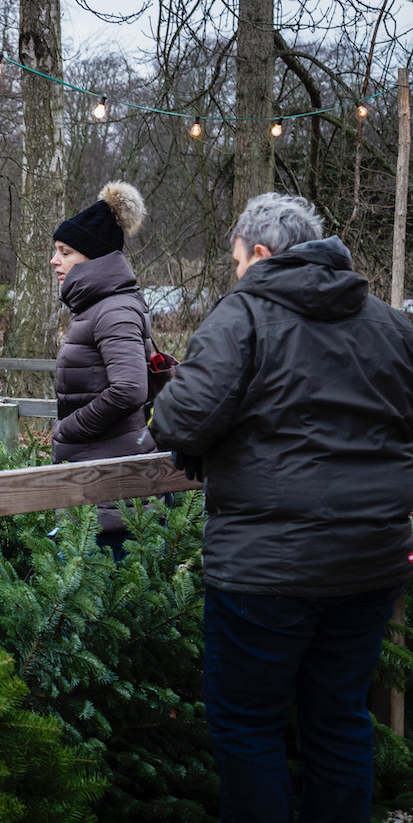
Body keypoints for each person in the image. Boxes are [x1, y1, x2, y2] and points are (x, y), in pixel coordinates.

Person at [151, 192, 413, 823]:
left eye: (238, 261)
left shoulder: (244, 315)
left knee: (247, 725)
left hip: (267, 566)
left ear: (261, 253)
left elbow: (180, 419)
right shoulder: (389, 324)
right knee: (340, 717)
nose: (237, 272)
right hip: (371, 559)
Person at [49, 180, 155, 558]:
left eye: (65, 252)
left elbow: (129, 389)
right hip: (94, 486)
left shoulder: (114, 309)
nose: (54, 260)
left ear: (93, 259)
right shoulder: (96, 307)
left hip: (111, 499)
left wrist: (67, 429)